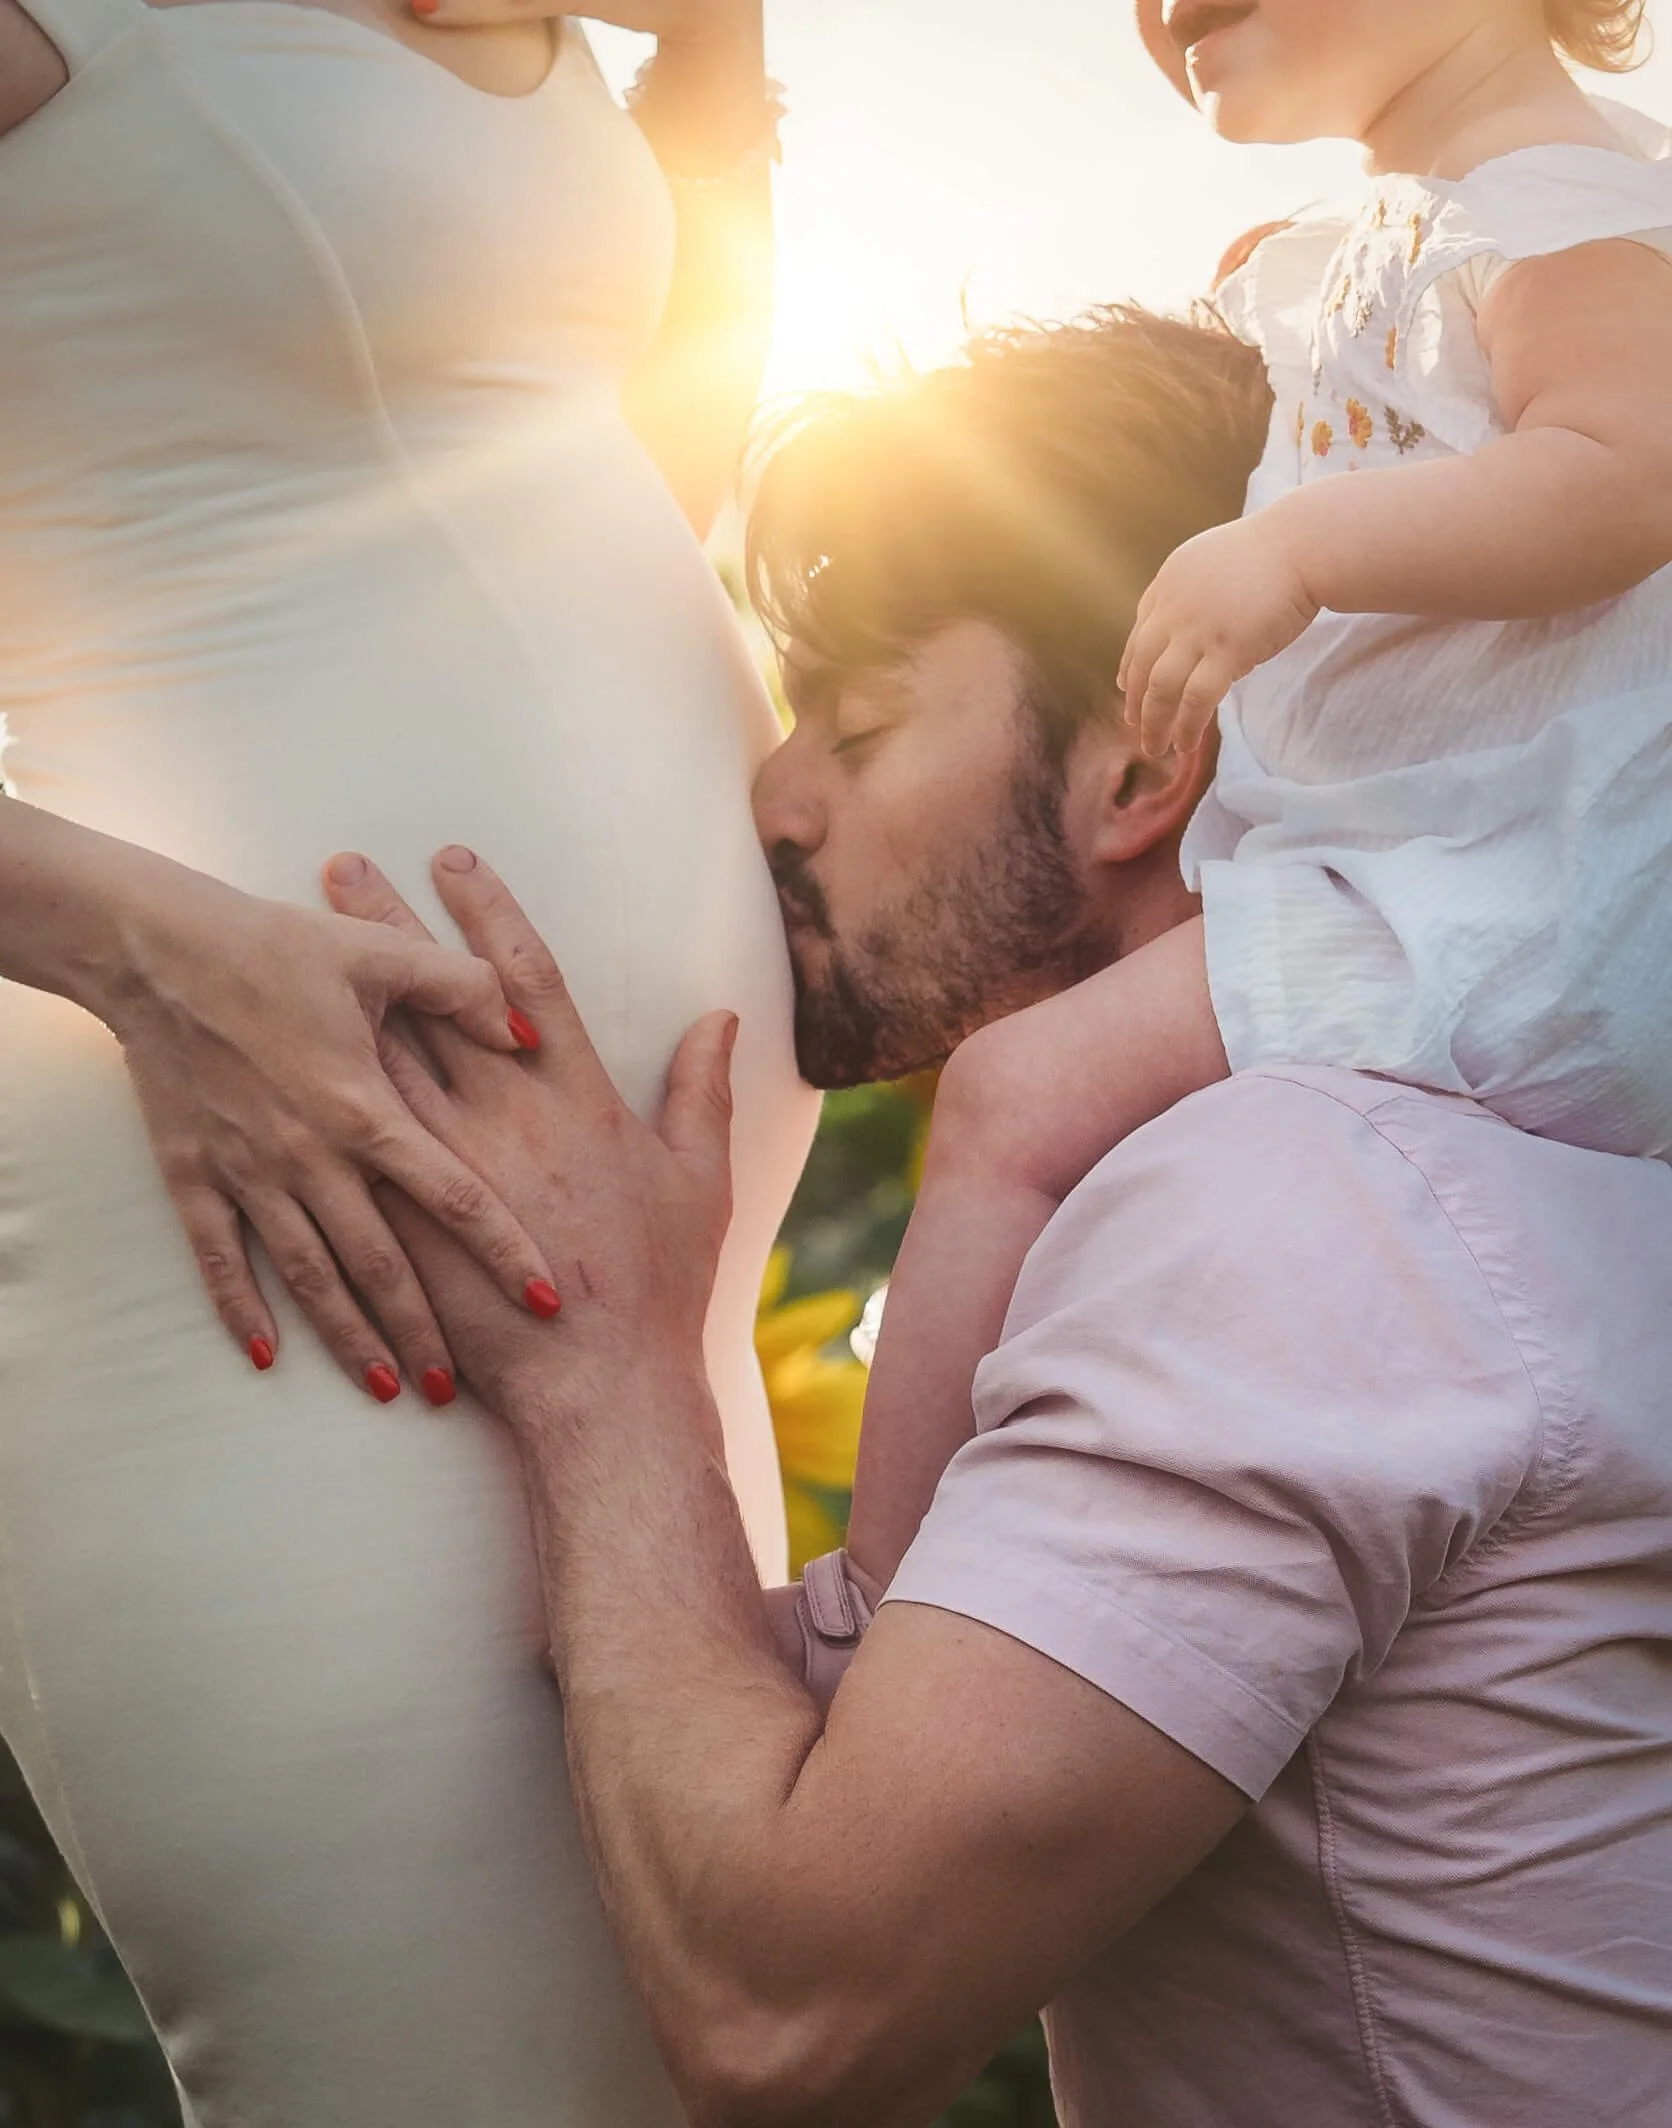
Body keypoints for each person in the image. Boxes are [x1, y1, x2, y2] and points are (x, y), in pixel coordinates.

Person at [328, 303, 1672, 2128]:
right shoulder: (1482, 1152)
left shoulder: (1287, 1205)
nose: (775, 795)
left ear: (1141, 763)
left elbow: (788, 2017)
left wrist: (603, 1366)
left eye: (861, 725)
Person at [0, 0, 814, 2119]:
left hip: (644, 1281)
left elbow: (600, 465)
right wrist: (148, 953)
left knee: (680, 2054)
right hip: (287, 1258)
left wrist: (711, 67)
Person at [839, 0, 1672, 1582]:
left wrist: (1292, 547)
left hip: (1496, 905)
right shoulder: (1440, 219)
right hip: (1428, 879)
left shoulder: (1561, 202)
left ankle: (878, 1596)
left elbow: (1631, 469)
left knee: (1015, 1099)